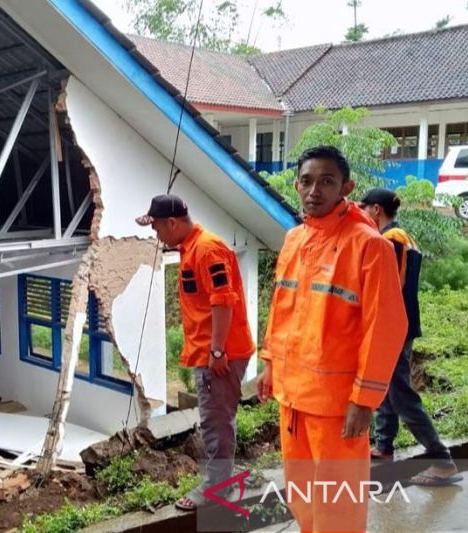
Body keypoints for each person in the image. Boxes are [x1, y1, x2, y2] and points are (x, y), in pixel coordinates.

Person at [257, 146, 407, 532]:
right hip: (293, 399)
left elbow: (386, 327)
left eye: (327, 181)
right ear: (296, 185)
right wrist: (270, 363)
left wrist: (364, 400)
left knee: (337, 506)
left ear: (346, 186)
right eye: (306, 181)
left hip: (338, 406)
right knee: (302, 496)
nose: (314, 191)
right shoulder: (294, 239)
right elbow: (281, 306)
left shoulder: (369, 245)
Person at [136, 194, 255, 511]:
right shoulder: (191, 248)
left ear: (172, 223)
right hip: (211, 352)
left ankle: (217, 486)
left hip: (220, 355)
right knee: (218, 418)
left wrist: (217, 352)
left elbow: (223, 301)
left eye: (158, 228)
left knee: (215, 421)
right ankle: (222, 476)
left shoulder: (207, 249)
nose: (157, 235)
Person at [359, 188, 462, 486]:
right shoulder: (404, 238)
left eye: (364, 209)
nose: (362, 215)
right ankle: (384, 445)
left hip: (393, 327)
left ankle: (441, 460)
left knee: (401, 394)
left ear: (376, 210)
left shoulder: (390, 240)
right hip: (401, 325)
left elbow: (386, 286)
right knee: (389, 387)